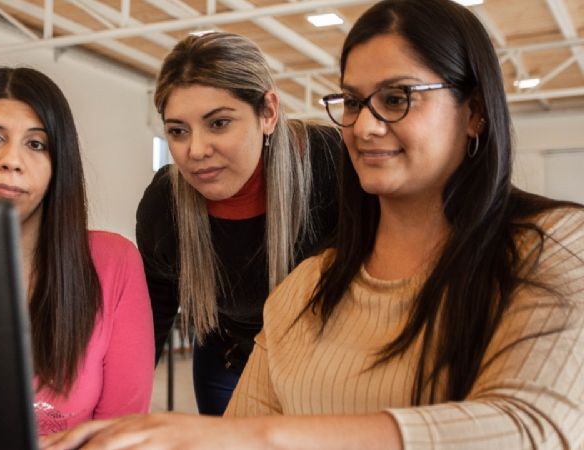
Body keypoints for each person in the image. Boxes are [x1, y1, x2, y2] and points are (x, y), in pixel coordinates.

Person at [42, 0, 584, 448]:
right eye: (351, 101)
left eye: (397, 99)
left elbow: (534, 427)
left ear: (475, 111)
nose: (366, 127)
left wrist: (259, 437)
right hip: (231, 341)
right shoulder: (301, 291)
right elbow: (161, 316)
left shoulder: (552, 245)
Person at [0, 67, 154, 435]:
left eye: (36, 144)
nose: (11, 160)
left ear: (57, 166)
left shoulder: (114, 264)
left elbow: (122, 435)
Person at [136, 32, 342, 415]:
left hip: (327, 361)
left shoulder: (330, 166)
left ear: (268, 113)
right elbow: (150, 322)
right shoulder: (165, 206)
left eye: (218, 124)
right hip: (229, 359)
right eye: (178, 131)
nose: (196, 151)